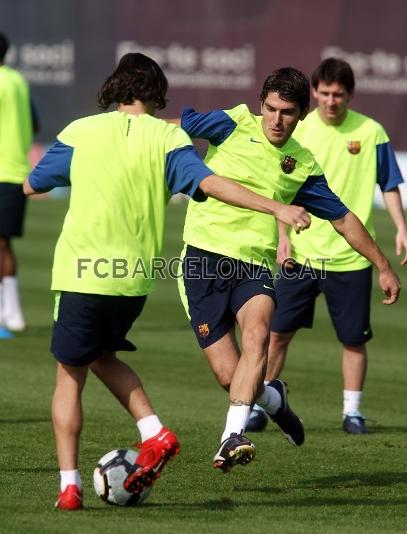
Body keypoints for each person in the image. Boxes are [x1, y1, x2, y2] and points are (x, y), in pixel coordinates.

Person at [23, 53, 315, 510]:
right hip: (134, 281)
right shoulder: (167, 137)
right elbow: (211, 182)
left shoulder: (81, 131)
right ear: (157, 94)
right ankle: (250, 405)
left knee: (69, 374)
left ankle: (71, 486)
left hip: (82, 271)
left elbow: (35, 182)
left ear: (113, 88)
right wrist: (274, 207)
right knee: (108, 356)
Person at [169, 66, 401, 473]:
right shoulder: (232, 122)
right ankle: (274, 399)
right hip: (202, 261)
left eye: (288, 112)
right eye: (271, 109)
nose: (277, 120)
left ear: (301, 113)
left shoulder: (303, 164)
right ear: (261, 105)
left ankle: (231, 437)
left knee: (259, 334)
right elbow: (176, 125)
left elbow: (343, 219)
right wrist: (129, 129)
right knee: (231, 377)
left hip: (254, 266)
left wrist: (382, 264)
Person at [247, 58, 406, 435]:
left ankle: (352, 412)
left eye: (339, 94)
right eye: (325, 93)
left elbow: (388, 183)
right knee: (277, 334)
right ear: (314, 93)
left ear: (349, 95)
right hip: (300, 256)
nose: (331, 100)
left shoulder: (371, 132)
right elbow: (278, 189)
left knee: (352, 339)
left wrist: (401, 226)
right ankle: (259, 402)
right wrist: (282, 237)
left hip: (350, 259)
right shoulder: (296, 130)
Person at [0, 32, 39, 335]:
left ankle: (10, 312)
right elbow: (35, 122)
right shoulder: (17, 80)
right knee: (4, 244)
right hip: (16, 172)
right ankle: (11, 312)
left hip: (3, 172)